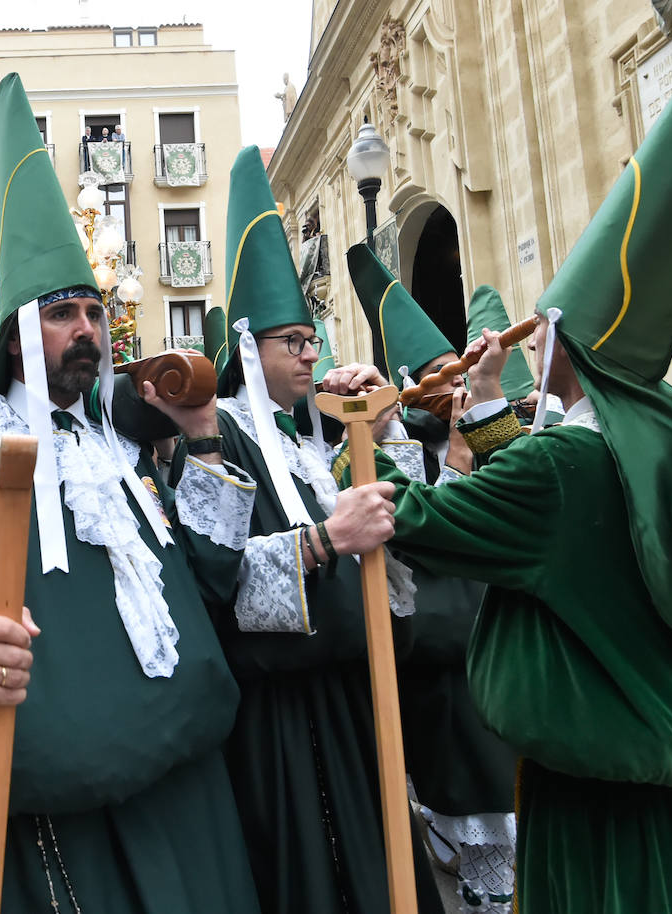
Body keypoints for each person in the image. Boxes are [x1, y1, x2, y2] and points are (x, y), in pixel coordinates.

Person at [365, 22, 672, 913]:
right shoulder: (670, 431)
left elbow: (432, 519)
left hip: (610, 804)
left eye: (549, 321)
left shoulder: (564, 466)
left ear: (571, 342)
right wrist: (491, 406)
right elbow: (552, 520)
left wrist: (377, 431)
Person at [0, 73, 268, 914]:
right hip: (62, 838)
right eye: (61, 313)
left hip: (197, 797)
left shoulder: (128, 448)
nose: (86, 330)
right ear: (14, 338)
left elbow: (217, 571)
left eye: (94, 313)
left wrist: (206, 427)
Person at [187, 147, 442, 914]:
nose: (310, 353)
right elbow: (211, 572)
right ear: (246, 348)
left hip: (347, 692)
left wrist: (383, 423)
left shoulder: (310, 443)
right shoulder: (216, 438)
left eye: (311, 339)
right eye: (290, 342)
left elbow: (402, 520)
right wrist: (323, 540)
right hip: (274, 712)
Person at [342, 248, 519, 912]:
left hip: (502, 649)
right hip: (440, 655)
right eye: (443, 374)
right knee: (470, 799)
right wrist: (391, 428)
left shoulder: (493, 432)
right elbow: (419, 530)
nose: (458, 382)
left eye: (463, 370)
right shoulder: (395, 448)